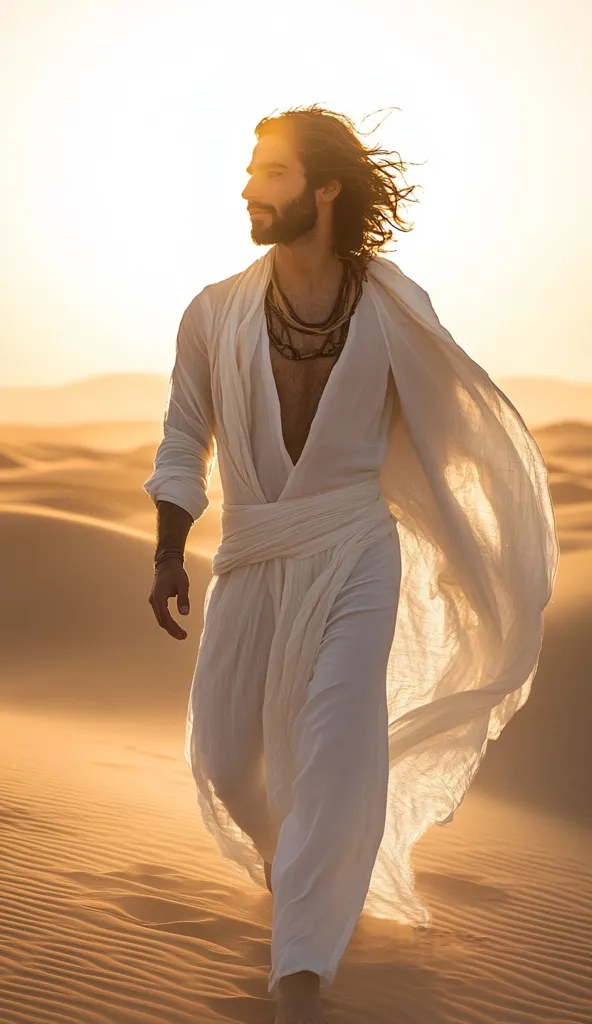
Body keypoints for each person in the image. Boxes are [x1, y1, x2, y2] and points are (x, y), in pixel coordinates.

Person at [143, 105, 558, 1024]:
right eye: (252, 171)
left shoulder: (394, 304)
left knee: (336, 749)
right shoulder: (213, 311)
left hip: (355, 550)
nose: (250, 187)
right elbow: (184, 436)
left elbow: (451, 431)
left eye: (274, 172)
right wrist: (171, 550)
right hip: (251, 555)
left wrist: (463, 548)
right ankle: (306, 871)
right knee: (224, 759)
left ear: (325, 188)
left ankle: (301, 971)